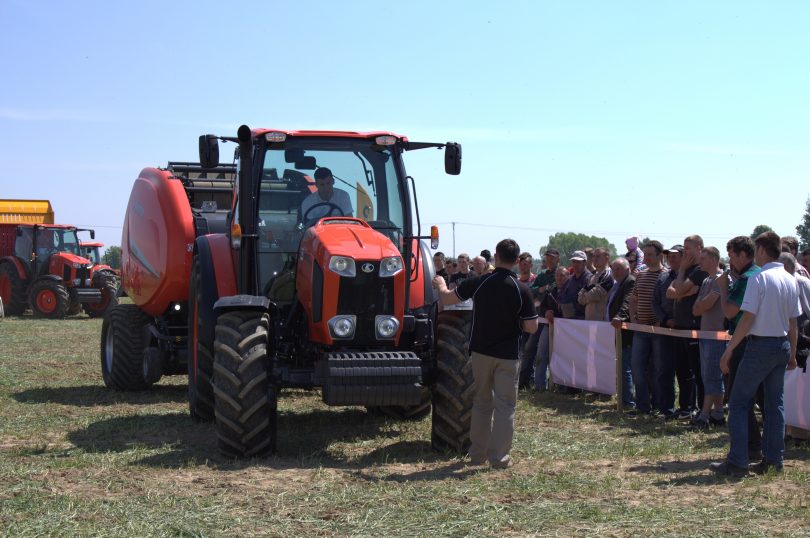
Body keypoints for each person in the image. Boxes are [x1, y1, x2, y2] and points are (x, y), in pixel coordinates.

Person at [432, 239, 539, 469]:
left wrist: (441, 284)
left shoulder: (480, 282)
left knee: (481, 403)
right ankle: (499, 459)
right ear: (517, 260)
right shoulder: (522, 289)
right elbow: (531, 327)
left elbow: (448, 298)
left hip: (480, 352)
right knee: (505, 407)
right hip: (509, 355)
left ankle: (477, 455)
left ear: (496, 258)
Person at [710, 231, 800, 477]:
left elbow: (747, 318)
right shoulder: (790, 279)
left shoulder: (758, 279)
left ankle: (738, 462)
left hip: (760, 345)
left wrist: (728, 351)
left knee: (738, 402)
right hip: (781, 345)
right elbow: (793, 323)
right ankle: (773, 460)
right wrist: (791, 353)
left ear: (760, 250)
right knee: (774, 405)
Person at [716, 235, 763, 459]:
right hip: (760, 341)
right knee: (763, 399)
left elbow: (730, 311)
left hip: (744, 342)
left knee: (738, 398)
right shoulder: (757, 274)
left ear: (744, 254)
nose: (730, 260)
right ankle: (762, 447)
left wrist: (723, 288)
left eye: (732, 255)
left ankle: (749, 447)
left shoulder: (747, 278)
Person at [666, 234, 708, 419]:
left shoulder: (700, 270)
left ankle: (701, 409)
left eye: (688, 248)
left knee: (698, 371)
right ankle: (685, 407)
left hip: (694, 326)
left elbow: (680, 290)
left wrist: (681, 274)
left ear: (699, 248)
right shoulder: (687, 270)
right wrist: (681, 286)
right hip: (679, 326)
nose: (685, 252)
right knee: (682, 370)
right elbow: (670, 292)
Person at [689, 247, 726, 429]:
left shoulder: (721, 279)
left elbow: (707, 304)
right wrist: (702, 304)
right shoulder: (706, 280)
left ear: (713, 259)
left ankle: (704, 415)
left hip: (717, 335)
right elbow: (696, 308)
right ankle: (718, 414)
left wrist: (702, 304)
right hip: (706, 334)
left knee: (712, 376)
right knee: (710, 375)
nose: (700, 262)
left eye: (703, 259)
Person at [628, 240, 665, 414]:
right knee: (637, 368)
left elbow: (667, 303)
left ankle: (658, 405)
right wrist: (634, 319)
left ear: (660, 256)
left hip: (658, 330)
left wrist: (661, 322)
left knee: (657, 370)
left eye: (651, 255)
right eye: (646, 254)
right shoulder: (641, 275)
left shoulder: (666, 275)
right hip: (641, 330)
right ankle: (643, 405)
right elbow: (633, 299)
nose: (647, 258)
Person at [607, 257, 636, 409]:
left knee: (625, 367)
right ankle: (624, 399)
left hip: (625, 331)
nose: (615, 272)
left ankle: (627, 402)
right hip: (615, 330)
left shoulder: (630, 281)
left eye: (619, 269)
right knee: (621, 367)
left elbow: (627, 302)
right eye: (614, 269)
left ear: (627, 269)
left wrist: (620, 316)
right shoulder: (617, 284)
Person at [535, 266, 570, 391]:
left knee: (562, 357)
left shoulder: (571, 290)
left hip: (565, 330)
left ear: (568, 276)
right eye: (557, 275)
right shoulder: (551, 290)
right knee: (541, 354)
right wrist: (547, 311)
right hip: (548, 326)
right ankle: (539, 386)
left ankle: (562, 386)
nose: (559, 278)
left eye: (563, 275)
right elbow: (542, 306)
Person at [578, 247, 613, 321]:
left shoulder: (609, 275)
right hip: (589, 321)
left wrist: (585, 296)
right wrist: (587, 295)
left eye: (598, 256)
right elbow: (580, 298)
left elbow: (594, 295)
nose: (594, 259)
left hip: (602, 322)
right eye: (594, 256)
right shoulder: (591, 276)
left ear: (607, 258)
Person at [559, 251, 591, 320]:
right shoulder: (569, 280)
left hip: (583, 321)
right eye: (574, 261)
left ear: (585, 263)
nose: (575, 265)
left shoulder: (590, 279)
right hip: (568, 321)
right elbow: (562, 295)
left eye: (578, 262)